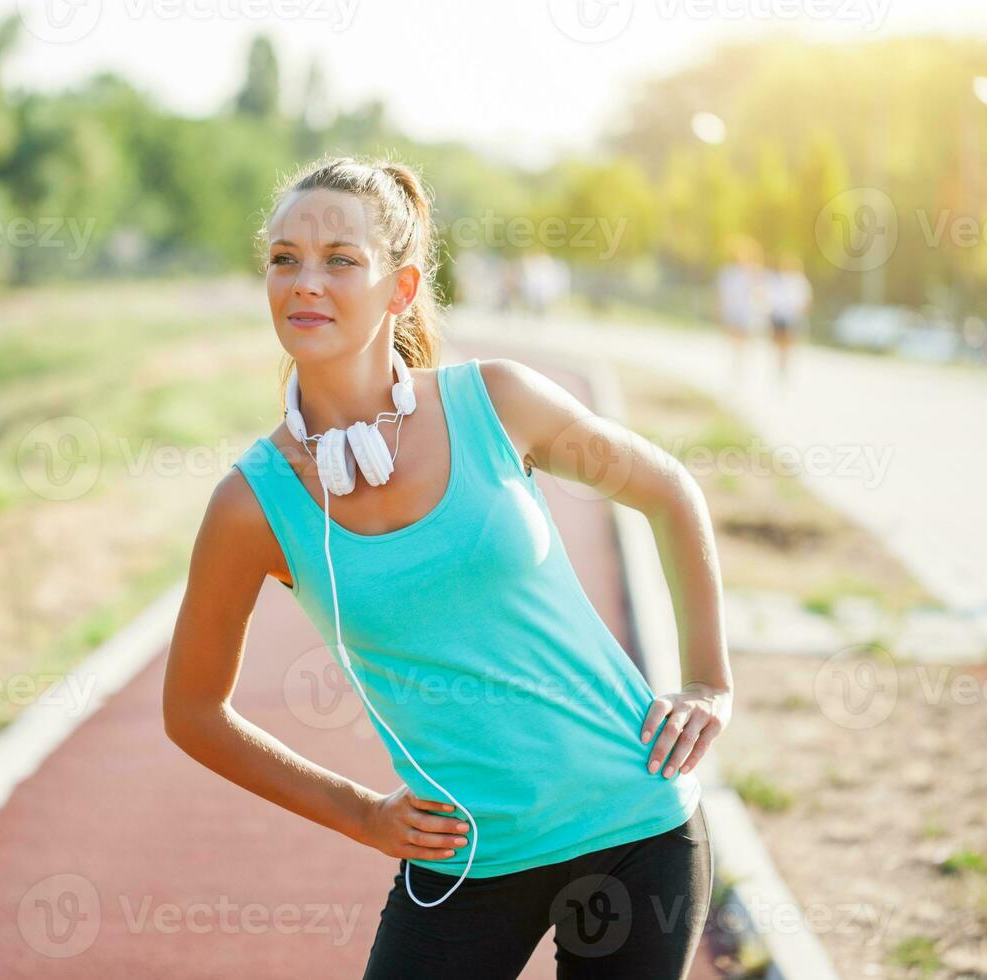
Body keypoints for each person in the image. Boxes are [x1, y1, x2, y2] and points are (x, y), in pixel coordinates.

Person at [162, 155, 734, 979]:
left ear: (399, 290)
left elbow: (670, 491)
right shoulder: (253, 504)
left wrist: (709, 682)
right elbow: (192, 710)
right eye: (284, 259)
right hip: (461, 864)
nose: (304, 283)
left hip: (631, 827)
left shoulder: (498, 402)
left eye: (340, 260)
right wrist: (360, 813)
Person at [715, 236, 766, 387]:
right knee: (734, 342)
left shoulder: (755, 273)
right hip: (732, 312)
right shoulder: (727, 272)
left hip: (747, 314)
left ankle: (742, 368)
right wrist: (719, 311)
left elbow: (761, 294)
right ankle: (737, 368)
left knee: (744, 341)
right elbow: (721, 294)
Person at [767, 254, 812, 385]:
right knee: (779, 345)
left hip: (793, 318)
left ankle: (786, 367)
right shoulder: (778, 281)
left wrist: (800, 314)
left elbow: (806, 302)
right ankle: (780, 366)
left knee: (789, 344)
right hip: (779, 317)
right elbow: (772, 299)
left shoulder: (801, 282)